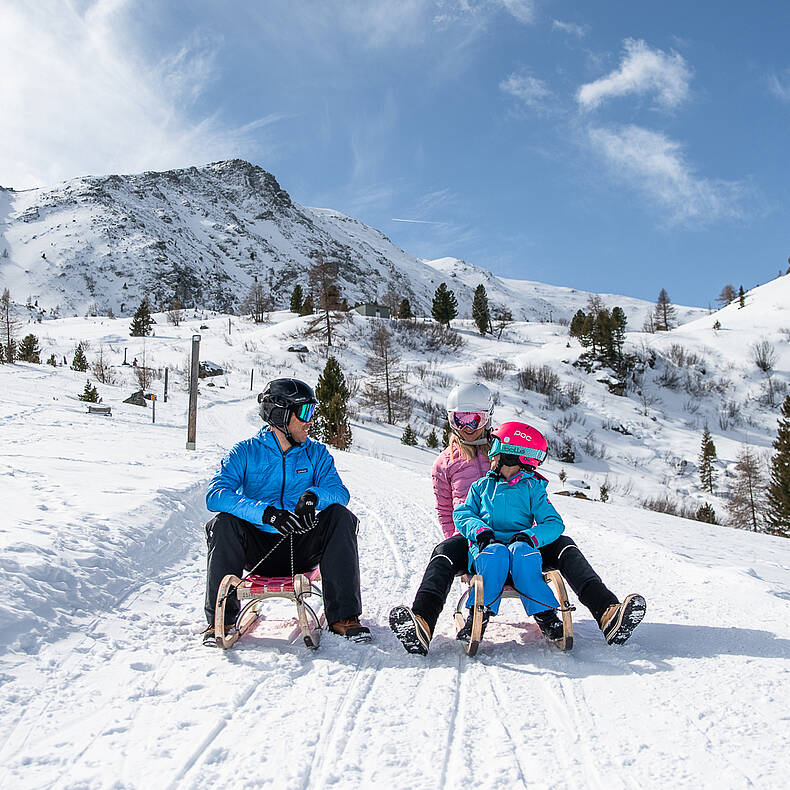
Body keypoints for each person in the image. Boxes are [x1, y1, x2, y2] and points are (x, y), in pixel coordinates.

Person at [389, 382, 645, 654]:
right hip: (478, 540)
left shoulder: (506, 447)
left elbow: (535, 486)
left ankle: (608, 613)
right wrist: (468, 549)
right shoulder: (444, 463)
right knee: (443, 553)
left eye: (473, 418)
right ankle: (422, 623)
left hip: (523, 541)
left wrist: (532, 535)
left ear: (487, 416)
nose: (466, 426)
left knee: (565, 545)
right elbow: (446, 511)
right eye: (458, 419)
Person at [202, 377, 370, 646]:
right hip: (257, 549)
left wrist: (313, 497)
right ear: (279, 413)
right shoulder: (245, 452)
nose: (310, 420)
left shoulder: (316, 454)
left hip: (301, 548)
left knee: (340, 516)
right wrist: (266, 513)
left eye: (312, 412)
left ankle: (344, 616)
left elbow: (340, 493)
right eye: (305, 412)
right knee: (223, 523)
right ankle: (222, 620)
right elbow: (216, 494)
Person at [453, 421, 566, 644]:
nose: (491, 454)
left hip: (519, 550)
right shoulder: (481, 486)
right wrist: (481, 531)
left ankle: (545, 614)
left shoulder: (532, 488)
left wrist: (530, 536)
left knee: (522, 552)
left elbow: (554, 523)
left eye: (495, 447)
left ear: (512, 453)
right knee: (495, 554)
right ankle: (478, 614)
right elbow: (462, 513)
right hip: (488, 548)